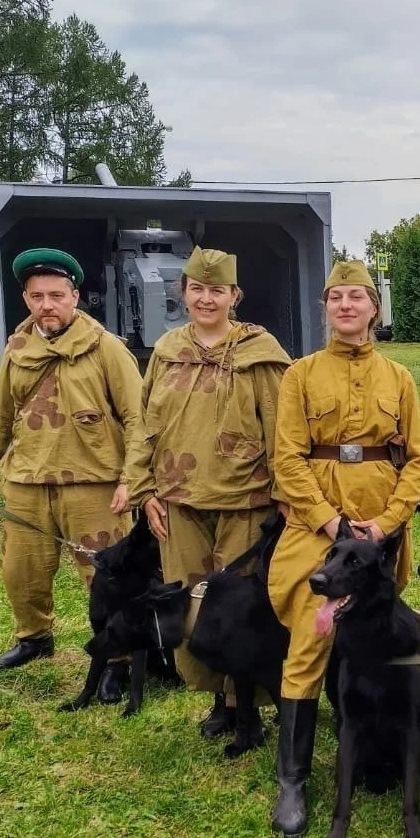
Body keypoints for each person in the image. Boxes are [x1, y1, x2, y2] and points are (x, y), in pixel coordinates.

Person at [266, 259, 420, 838]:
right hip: (318, 525)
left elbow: (416, 462)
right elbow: (287, 459)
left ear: (373, 308)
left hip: (378, 529)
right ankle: (292, 780)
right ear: (326, 307)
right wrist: (331, 523)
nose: (346, 306)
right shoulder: (301, 374)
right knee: (309, 641)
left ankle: (376, 741)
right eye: (336, 297)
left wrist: (383, 525)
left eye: (357, 297)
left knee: (373, 634)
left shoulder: (399, 378)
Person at [125, 246, 291, 738]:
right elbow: (144, 425)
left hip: (245, 502)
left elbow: (282, 430)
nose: (206, 299)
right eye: (197, 289)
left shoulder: (260, 353)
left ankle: (248, 704)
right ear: (183, 293)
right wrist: (143, 489)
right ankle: (219, 697)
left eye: (217, 290)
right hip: (179, 503)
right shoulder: (166, 350)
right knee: (191, 608)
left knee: (240, 610)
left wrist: (285, 499)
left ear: (234, 295)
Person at [0, 248, 143, 688]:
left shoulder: (105, 348)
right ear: (26, 299)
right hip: (27, 479)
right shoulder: (17, 349)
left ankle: (118, 658)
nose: (47, 305)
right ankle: (34, 637)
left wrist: (132, 479)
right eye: (37, 296)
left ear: (74, 296)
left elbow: (139, 418)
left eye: (57, 295)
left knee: (106, 577)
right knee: (21, 570)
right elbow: (0, 415)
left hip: (93, 482)